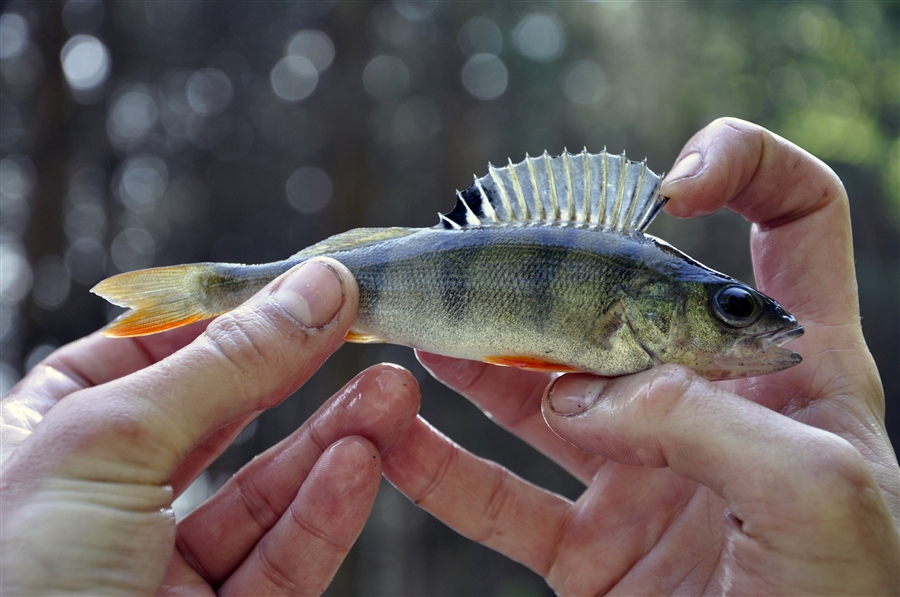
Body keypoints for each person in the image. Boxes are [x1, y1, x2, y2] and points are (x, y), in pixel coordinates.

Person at [1, 118, 897, 595]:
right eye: (732, 308)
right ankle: (216, 288)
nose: (750, 326)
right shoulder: (630, 288)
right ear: (656, 305)